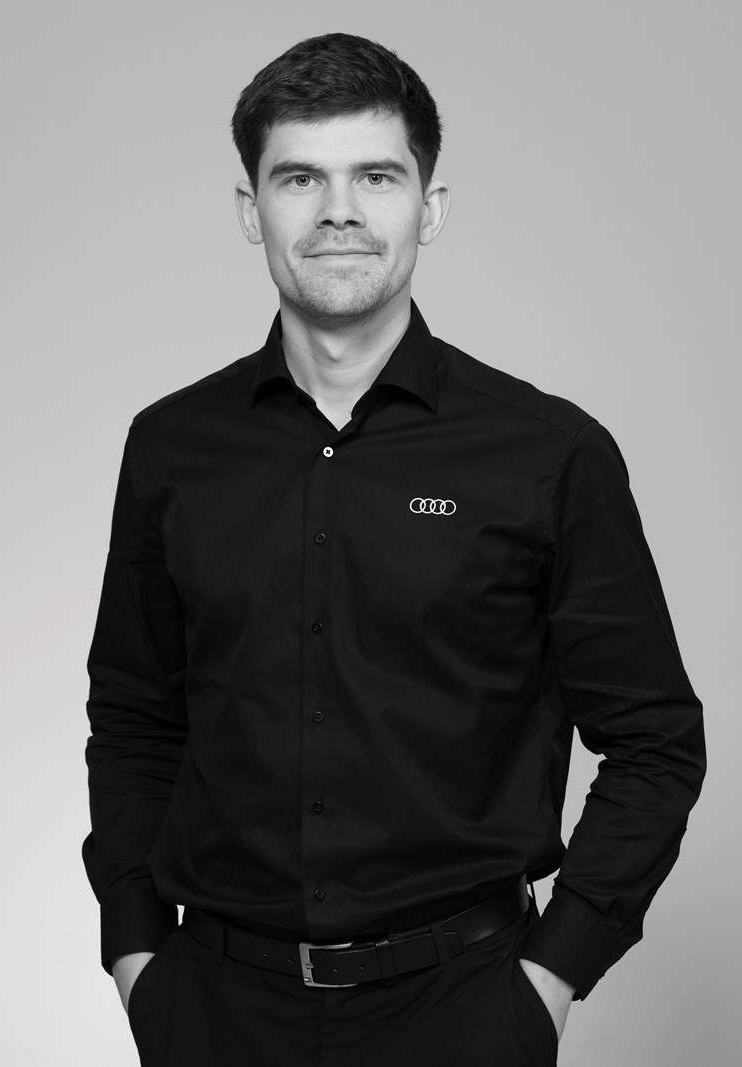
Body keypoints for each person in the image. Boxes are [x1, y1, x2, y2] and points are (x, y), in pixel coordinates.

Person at [83, 32, 706, 1066]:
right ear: (250, 209)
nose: (339, 211)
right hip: (214, 1011)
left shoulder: (548, 453)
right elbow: (134, 717)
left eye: (376, 176)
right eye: (299, 178)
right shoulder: (170, 447)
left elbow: (655, 739)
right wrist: (138, 952)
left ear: (430, 206)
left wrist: (551, 975)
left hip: (465, 1008)